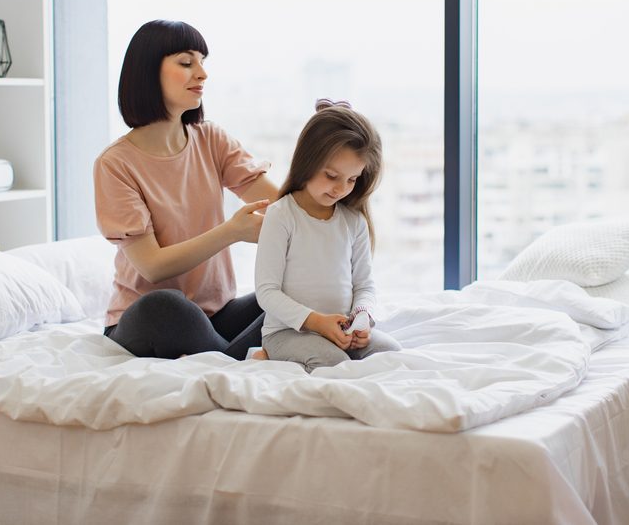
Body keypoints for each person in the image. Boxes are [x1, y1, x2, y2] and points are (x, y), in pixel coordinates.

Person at [94, 19, 278, 360]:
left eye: (203, 62)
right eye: (186, 62)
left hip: (215, 316)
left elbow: (280, 204)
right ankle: (239, 359)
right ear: (149, 72)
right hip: (151, 320)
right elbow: (151, 266)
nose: (202, 73)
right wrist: (232, 231)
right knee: (166, 305)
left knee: (292, 296)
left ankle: (229, 358)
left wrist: (327, 173)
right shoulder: (115, 164)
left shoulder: (211, 139)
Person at [254, 100, 401, 371]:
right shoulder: (282, 215)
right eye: (332, 176)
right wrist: (316, 322)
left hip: (341, 332)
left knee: (392, 355)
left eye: (352, 179)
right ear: (308, 162)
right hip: (289, 333)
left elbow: (364, 286)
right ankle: (264, 356)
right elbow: (267, 292)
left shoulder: (353, 221)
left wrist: (362, 316)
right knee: (333, 364)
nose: (341, 189)